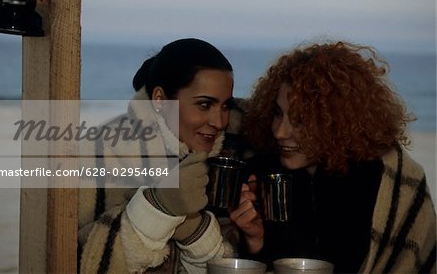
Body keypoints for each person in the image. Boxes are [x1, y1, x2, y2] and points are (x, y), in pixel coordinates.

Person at [230, 40, 436, 273]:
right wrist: (256, 240)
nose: (279, 132)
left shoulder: (383, 181)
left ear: (336, 123)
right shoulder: (263, 172)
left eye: (299, 120)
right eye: (278, 113)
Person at [78, 38, 245, 273]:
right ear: (160, 100)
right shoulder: (104, 152)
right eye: (204, 104)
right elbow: (80, 257)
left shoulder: (232, 154)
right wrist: (158, 207)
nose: (219, 122)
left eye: (225, 106)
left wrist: (196, 229)